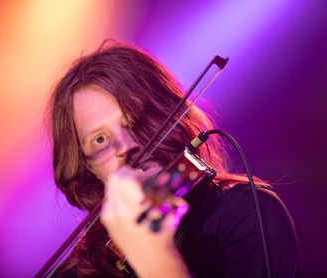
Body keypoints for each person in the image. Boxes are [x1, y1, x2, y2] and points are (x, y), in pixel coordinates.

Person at [48, 41, 301, 277]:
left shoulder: (247, 214)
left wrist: (155, 258)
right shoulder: (79, 272)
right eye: (100, 139)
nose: (125, 146)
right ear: (88, 167)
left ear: (168, 115)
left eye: (135, 118)